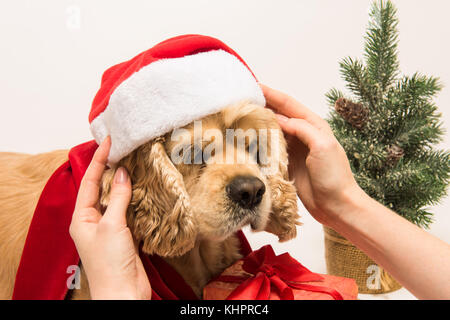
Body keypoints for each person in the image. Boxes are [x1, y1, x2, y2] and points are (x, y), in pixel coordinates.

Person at [70, 84, 450, 300]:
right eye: (199, 153)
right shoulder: (92, 262)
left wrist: (342, 202)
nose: (249, 181)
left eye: (251, 149)